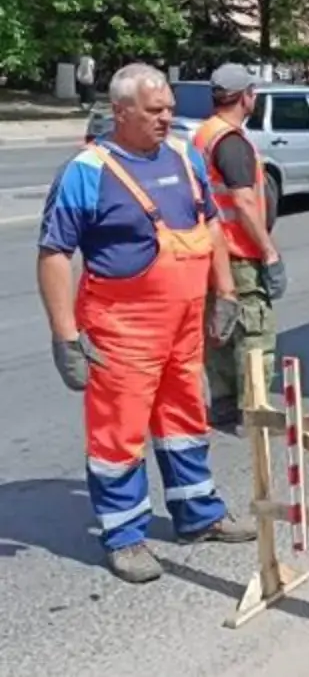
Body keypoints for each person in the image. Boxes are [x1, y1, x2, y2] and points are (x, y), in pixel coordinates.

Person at [36, 62, 257, 584]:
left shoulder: (183, 156)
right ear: (120, 112)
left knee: (185, 420)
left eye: (170, 108)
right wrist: (65, 335)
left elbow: (210, 224)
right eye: (154, 111)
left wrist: (223, 292)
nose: (167, 118)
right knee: (119, 435)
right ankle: (125, 535)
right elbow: (53, 254)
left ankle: (197, 513)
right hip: (122, 327)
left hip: (182, 323)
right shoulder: (87, 171)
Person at [193, 64, 286, 429]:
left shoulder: (204, 134)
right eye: (254, 93)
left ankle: (224, 403)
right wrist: (269, 251)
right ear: (245, 96)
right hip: (238, 254)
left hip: (211, 252)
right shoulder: (231, 142)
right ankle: (255, 411)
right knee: (254, 331)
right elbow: (244, 203)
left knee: (220, 328)